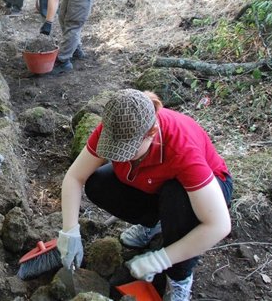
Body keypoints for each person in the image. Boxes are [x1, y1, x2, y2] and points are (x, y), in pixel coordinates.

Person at [57, 89, 233, 301]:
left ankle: (180, 278)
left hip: (205, 193)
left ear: (151, 133)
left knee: (175, 197)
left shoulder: (182, 149)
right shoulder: (116, 125)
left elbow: (218, 225)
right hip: (154, 184)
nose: (118, 155)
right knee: (98, 184)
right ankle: (155, 226)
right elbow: (75, 177)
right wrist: (70, 230)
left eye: (126, 150)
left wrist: (161, 259)